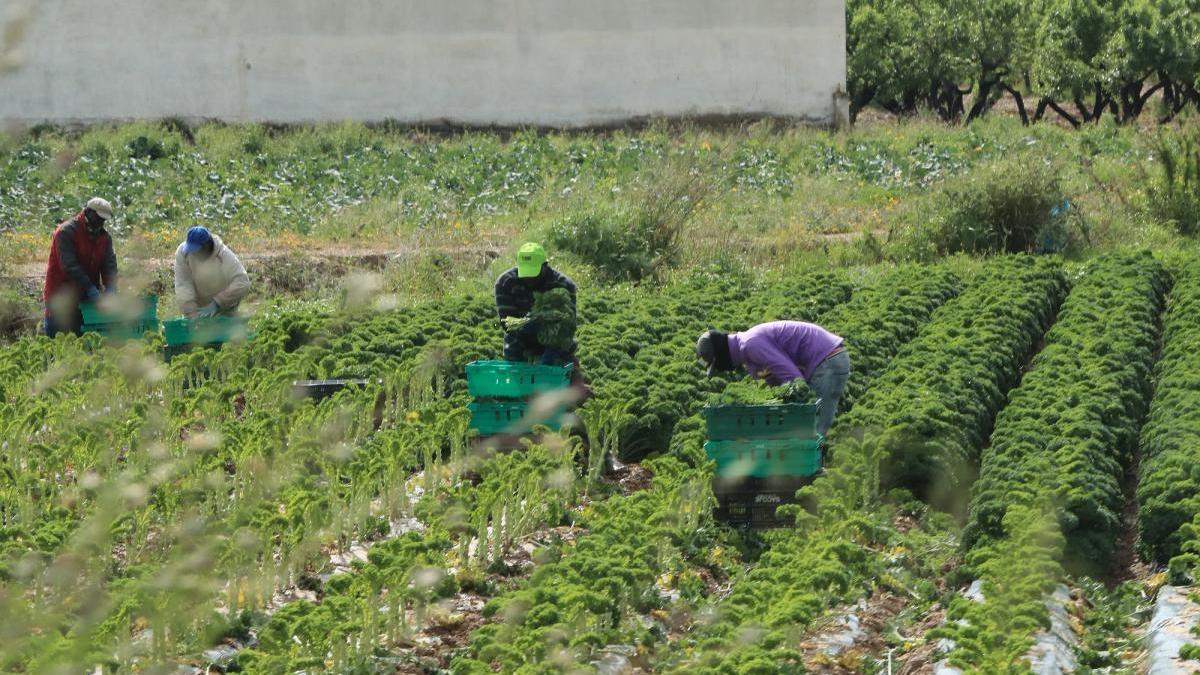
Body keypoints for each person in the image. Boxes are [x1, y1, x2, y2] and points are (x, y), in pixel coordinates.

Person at [697, 321, 851, 436]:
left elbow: (794, 381)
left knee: (812, 428)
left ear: (722, 354)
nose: (721, 370)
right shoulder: (747, 353)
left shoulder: (751, 345)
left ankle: (813, 472)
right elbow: (779, 383)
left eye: (717, 366)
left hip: (828, 361)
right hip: (826, 360)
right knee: (808, 428)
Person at [42, 197, 118, 337]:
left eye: (103, 220)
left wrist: (111, 287)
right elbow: (69, 266)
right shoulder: (66, 232)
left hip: (86, 302)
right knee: (58, 345)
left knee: (84, 346)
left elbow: (109, 265)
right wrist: (90, 288)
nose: (100, 223)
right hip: (61, 297)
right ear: (88, 212)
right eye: (98, 218)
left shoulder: (104, 238)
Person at [495, 242, 578, 365]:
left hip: (555, 344)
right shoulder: (506, 283)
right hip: (518, 340)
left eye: (534, 273)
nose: (529, 279)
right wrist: (526, 325)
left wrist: (552, 348)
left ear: (545, 266)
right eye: (525, 273)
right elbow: (507, 323)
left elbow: (568, 325)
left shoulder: (563, 285)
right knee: (515, 359)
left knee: (565, 365)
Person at [174, 226, 250, 318]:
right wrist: (191, 313)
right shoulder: (183, 253)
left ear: (206, 246)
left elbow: (242, 282)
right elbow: (183, 284)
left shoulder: (223, 254)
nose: (193, 254)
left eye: (196, 251)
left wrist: (217, 302)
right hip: (198, 308)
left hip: (224, 307)